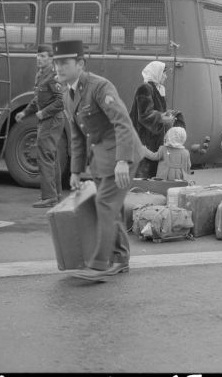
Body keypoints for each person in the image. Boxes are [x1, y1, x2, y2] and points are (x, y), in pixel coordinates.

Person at [53, 39, 144, 281]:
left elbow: (122, 122)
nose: (59, 68)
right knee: (110, 208)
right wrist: (74, 170)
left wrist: (123, 160)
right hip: (103, 158)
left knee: (104, 205)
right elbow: (77, 135)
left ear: (80, 64)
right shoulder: (67, 95)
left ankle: (100, 265)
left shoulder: (99, 87)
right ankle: (120, 259)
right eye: (56, 63)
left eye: (65, 63)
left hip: (122, 155)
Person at [15, 44, 64, 208]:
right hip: (47, 120)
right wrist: (25, 112)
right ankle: (55, 194)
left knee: (44, 156)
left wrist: (43, 113)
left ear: (51, 59)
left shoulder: (53, 76)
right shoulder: (40, 75)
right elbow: (37, 99)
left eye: (43, 56)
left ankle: (49, 197)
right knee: (52, 157)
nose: (39, 59)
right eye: (38, 56)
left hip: (52, 120)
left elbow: (61, 101)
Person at [130, 61, 185, 178]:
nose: (166, 76)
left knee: (152, 172)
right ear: (157, 72)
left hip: (154, 137)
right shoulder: (145, 88)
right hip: (144, 138)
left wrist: (167, 114)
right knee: (143, 173)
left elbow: (157, 111)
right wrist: (163, 118)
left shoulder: (158, 89)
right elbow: (144, 115)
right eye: (164, 73)